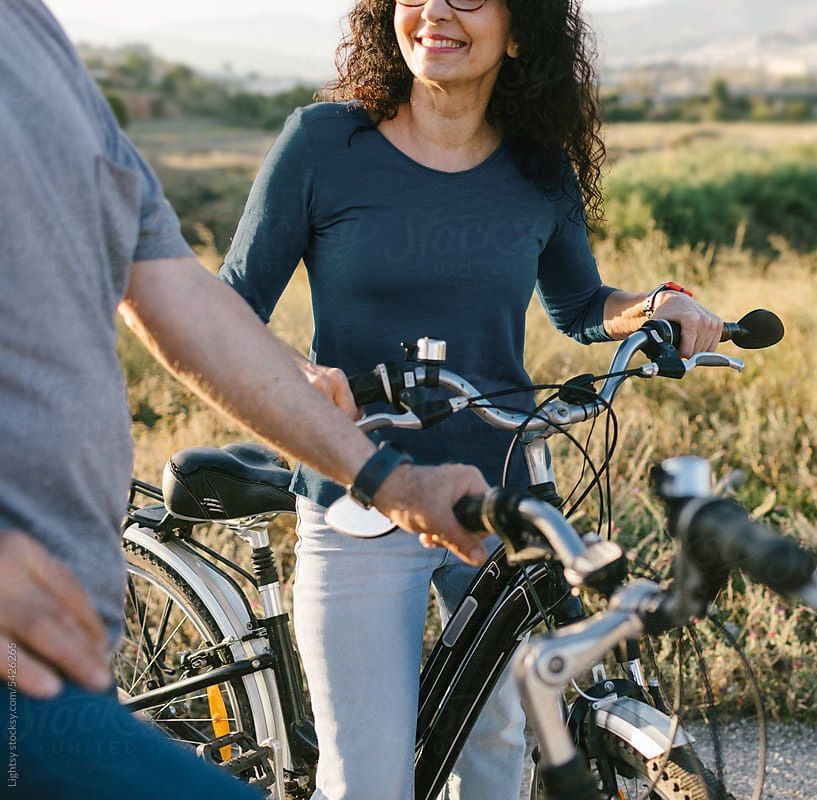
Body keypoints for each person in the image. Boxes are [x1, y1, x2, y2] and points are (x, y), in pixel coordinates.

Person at [217, 1, 724, 798]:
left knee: (496, 746)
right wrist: (297, 375)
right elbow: (230, 304)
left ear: (519, 30)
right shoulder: (322, 144)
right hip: (360, 487)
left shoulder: (538, 167)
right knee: (368, 779)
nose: (437, 12)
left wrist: (658, 304)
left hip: (498, 499)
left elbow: (580, 305)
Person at [0, 2, 492, 798]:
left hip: (60, 663)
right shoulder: (323, 142)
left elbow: (181, 296)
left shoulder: (35, 39)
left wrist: (394, 483)